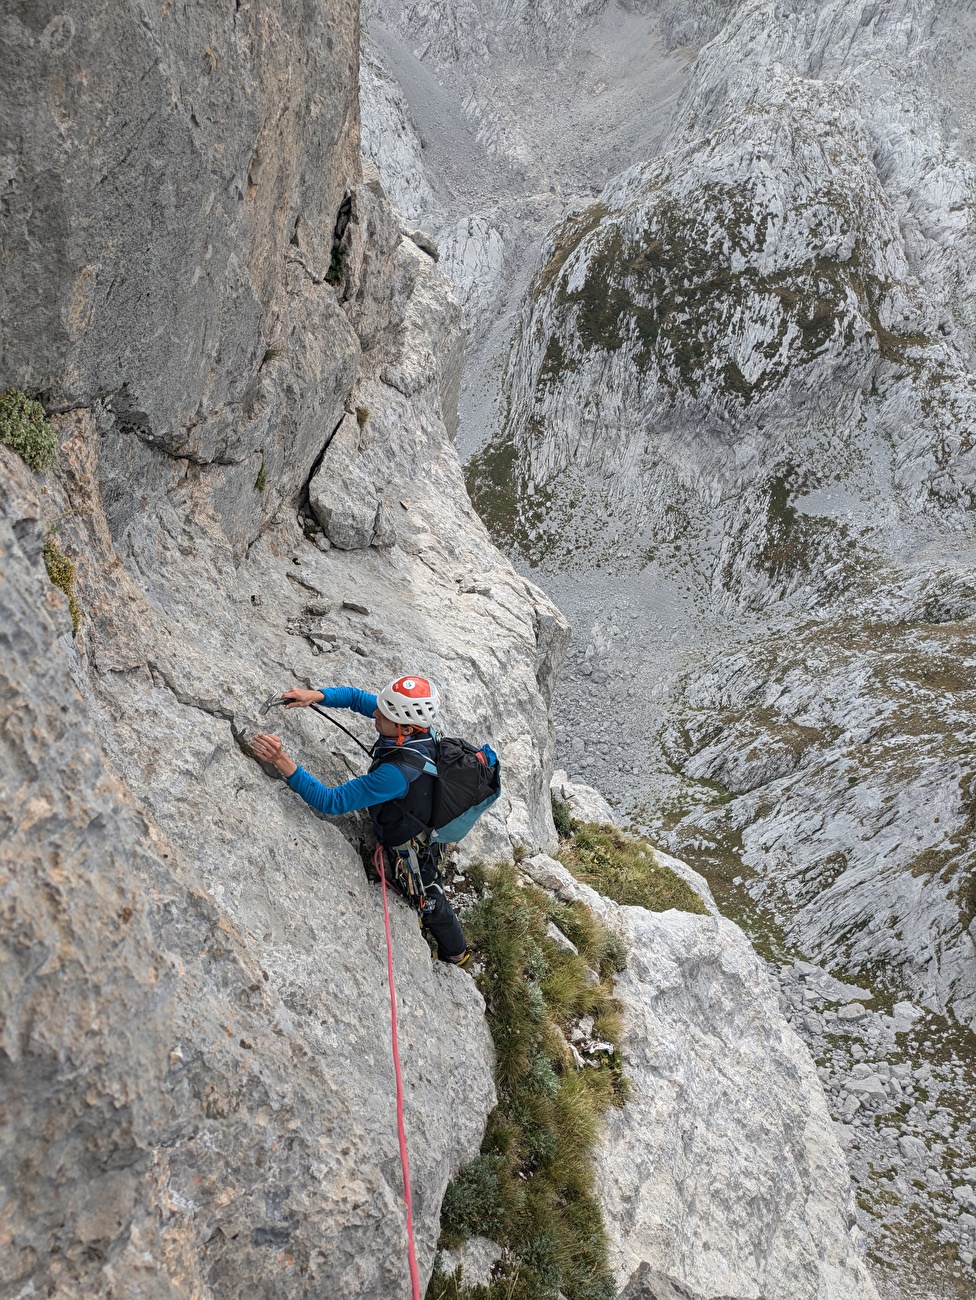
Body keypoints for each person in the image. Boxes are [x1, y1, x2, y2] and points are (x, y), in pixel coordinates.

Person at [252, 676, 471, 966]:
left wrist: (281, 760)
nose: (376, 714)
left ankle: (456, 953)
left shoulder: (396, 774)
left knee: (429, 900)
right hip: (418, 818)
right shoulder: (415, 728)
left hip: (411, 847)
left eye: (384, 714)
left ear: (405, 728)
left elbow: (331, 802)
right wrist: (315, 695)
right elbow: (356, 698)